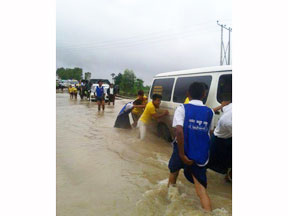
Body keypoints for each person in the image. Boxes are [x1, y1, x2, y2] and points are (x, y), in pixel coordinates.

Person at [167, 82, 214, 211]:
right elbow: (209, 132)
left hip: (181, 149)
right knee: (200, 188)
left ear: (188, 94)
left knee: (173, 174)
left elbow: (179, 131)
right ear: (204, 95)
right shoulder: (210, 111)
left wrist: (182, 154)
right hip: (200, 153)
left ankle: (168, 202)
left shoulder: (182, 108)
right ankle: (208, 212)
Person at [207, 94, 232, 182]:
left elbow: (222, 108)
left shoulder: (229, 110)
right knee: (210, 163)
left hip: (226, 137)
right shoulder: (227, 120)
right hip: (220, 139)